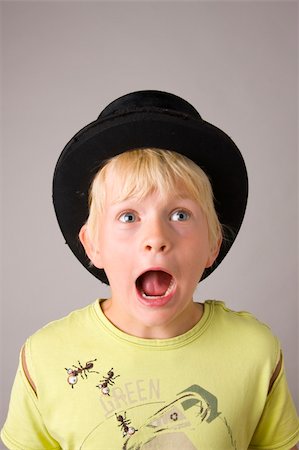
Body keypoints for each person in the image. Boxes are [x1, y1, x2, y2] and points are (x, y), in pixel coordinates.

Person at [1, 91, 298, 450]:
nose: (156, 238)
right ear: (92, 245)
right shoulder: (46, 358)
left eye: (180, 215)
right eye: (128, 216)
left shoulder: (255, 352)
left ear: (213, 244)